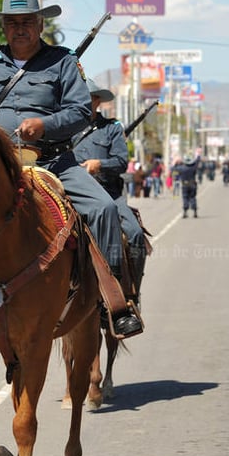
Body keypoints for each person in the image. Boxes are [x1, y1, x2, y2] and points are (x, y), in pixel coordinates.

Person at [0, 0, 142, 346]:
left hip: (53, 159)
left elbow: (80, 110)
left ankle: (112, 301)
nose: (19, 28)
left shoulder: (63, 61)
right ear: (4, 26)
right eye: (12, 22)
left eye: (27, 22)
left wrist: (46, 125)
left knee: (102, 209)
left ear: (40, 24)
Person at [74, 77, 148, 302]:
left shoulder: (112, 129)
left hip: (108, 193)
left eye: (87, 98)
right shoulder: (62, 129)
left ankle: (129, 295)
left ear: (97, 101)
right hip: (72, 192)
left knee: (135, 234)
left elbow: (121, 162)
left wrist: (99, 165)